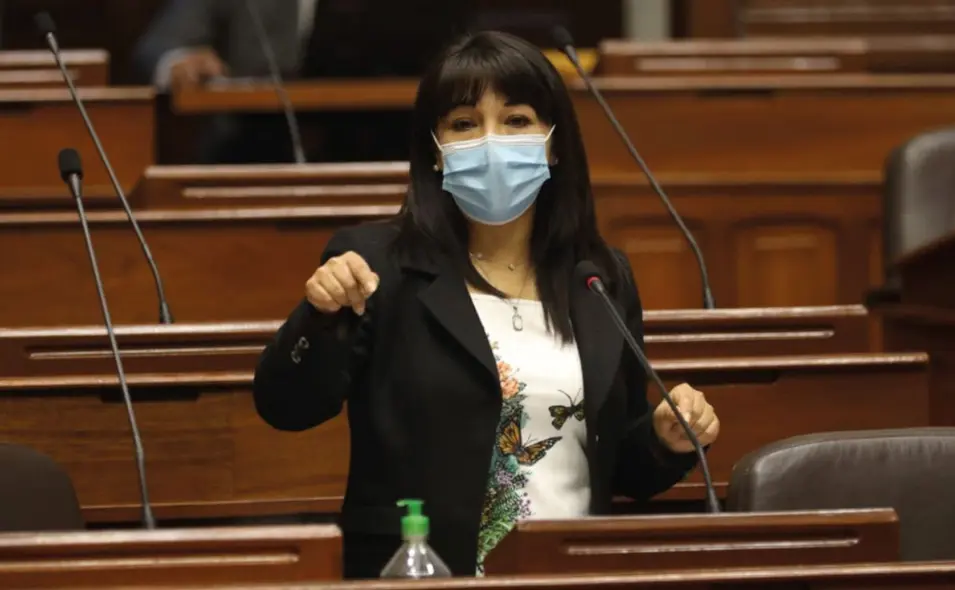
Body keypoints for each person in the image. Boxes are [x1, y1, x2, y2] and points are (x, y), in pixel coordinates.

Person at [252, 30, 721, 579]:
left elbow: (615, 466)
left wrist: (666, 439)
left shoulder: (598, 280)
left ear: (554, 143)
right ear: (435, 148)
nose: (491, 142)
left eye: (517, 120)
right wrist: (321, 315)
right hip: (424, 573)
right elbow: (286, 406)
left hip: (567, 571)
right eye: (464, 124)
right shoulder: (377, 265)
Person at [132, 0, 468, 163]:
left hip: (392, 153)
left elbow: (466, 52)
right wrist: (180, 62)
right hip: (251, 154)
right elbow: (158, 45)